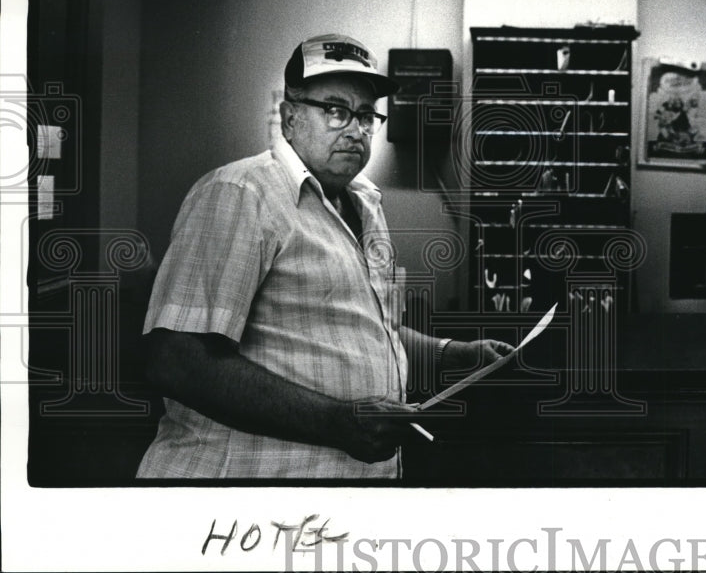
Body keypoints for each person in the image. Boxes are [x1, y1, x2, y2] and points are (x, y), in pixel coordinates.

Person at [137, 34, 513, 479]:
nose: (356, 129)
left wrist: (455, 354)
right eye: (335, 110)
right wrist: (335, 422)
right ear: (289, 116)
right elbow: (176, 358)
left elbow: (362, 331)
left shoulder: (364, 203)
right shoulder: (241, 193)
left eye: (366, 115)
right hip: (248, 497)